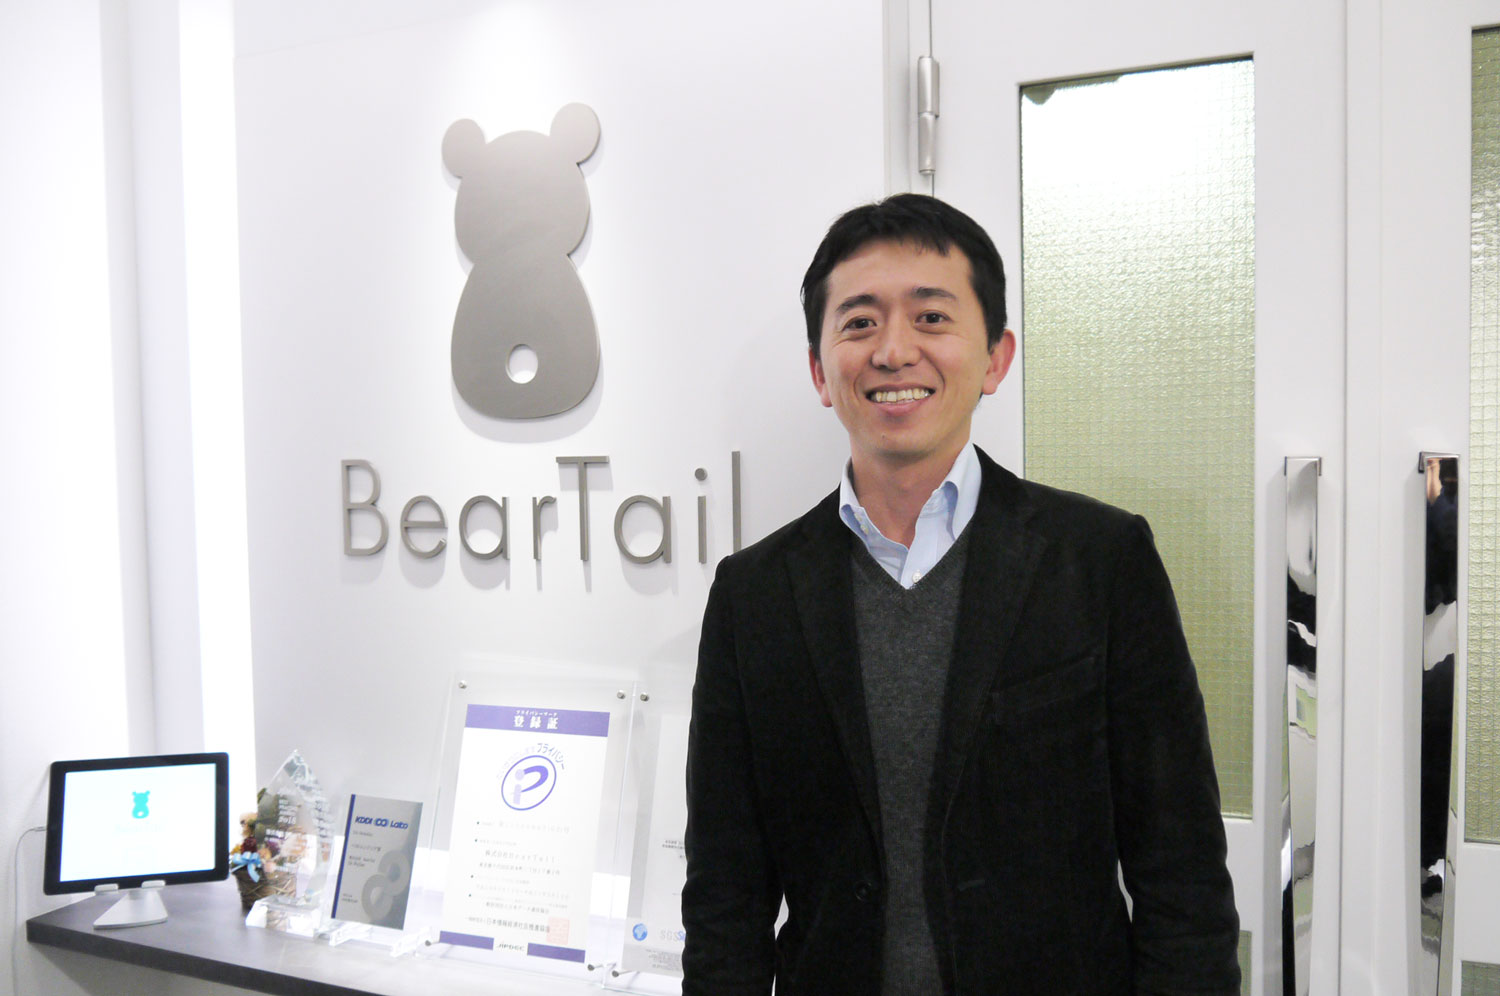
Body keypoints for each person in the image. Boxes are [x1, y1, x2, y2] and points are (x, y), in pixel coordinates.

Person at [681, 194, 1241, 995]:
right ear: (819, 371)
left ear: (996, 358)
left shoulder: (1100, 561)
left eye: (932, 318)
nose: (893, 351)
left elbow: (1180, 871)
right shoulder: (754, 596)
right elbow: (724, 900)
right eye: (860, 322)